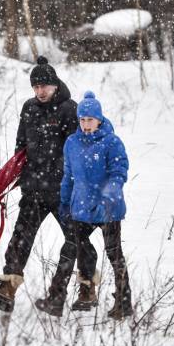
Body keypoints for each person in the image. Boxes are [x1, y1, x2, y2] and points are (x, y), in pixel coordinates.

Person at [0, 56, 95, 313]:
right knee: (21, 238)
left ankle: (87, 290)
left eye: (44, 86)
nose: (40, 91)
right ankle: (7, 289)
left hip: (63, 191)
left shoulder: (68, 109)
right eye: (36, 87)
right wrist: (19, 175)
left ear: (55, 85)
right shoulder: (29, 108)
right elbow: (21, 146)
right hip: (34, 188)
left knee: (78, 239)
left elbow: (77, 150)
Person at [48, 91, 133, 320]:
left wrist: (109, 194)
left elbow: (119, 172)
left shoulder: (111, 142)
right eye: (82, 120)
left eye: (90, 120)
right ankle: (57, 297)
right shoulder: (72, 143)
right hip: (82, 208)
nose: (86, 124)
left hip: (108, 209)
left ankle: (124, 302)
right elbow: (68, 176)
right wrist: (64, 202)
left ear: (99, 119)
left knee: (115, 254)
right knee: (72, 249)